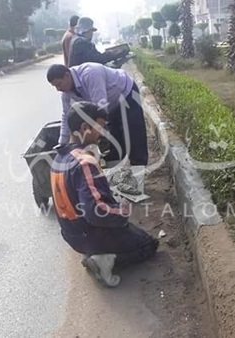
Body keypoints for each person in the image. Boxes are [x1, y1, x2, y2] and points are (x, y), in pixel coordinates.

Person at [50, 101, 159, 287]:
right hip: (90, 234)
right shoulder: (85, 162)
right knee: (149, 244)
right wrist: (123, 211)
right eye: (99, 128)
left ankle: (97, 253)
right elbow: (96, 212)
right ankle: (104, 259)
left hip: (72, 234)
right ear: (85, 127)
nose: (102, 134)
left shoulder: (59, 159)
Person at [46, 63, 149, 166]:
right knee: (115, 139)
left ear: (67, 75)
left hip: (126, 94)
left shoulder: (90, 74)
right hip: (110, 104)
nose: (58, 89)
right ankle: (117, 169)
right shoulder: (66, 93)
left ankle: (139, 167)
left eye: (59, 84)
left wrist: (95, 136)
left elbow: (100, 107)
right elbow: (66, 117)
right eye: (55, 86)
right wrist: (62, 145)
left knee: (134, 133)